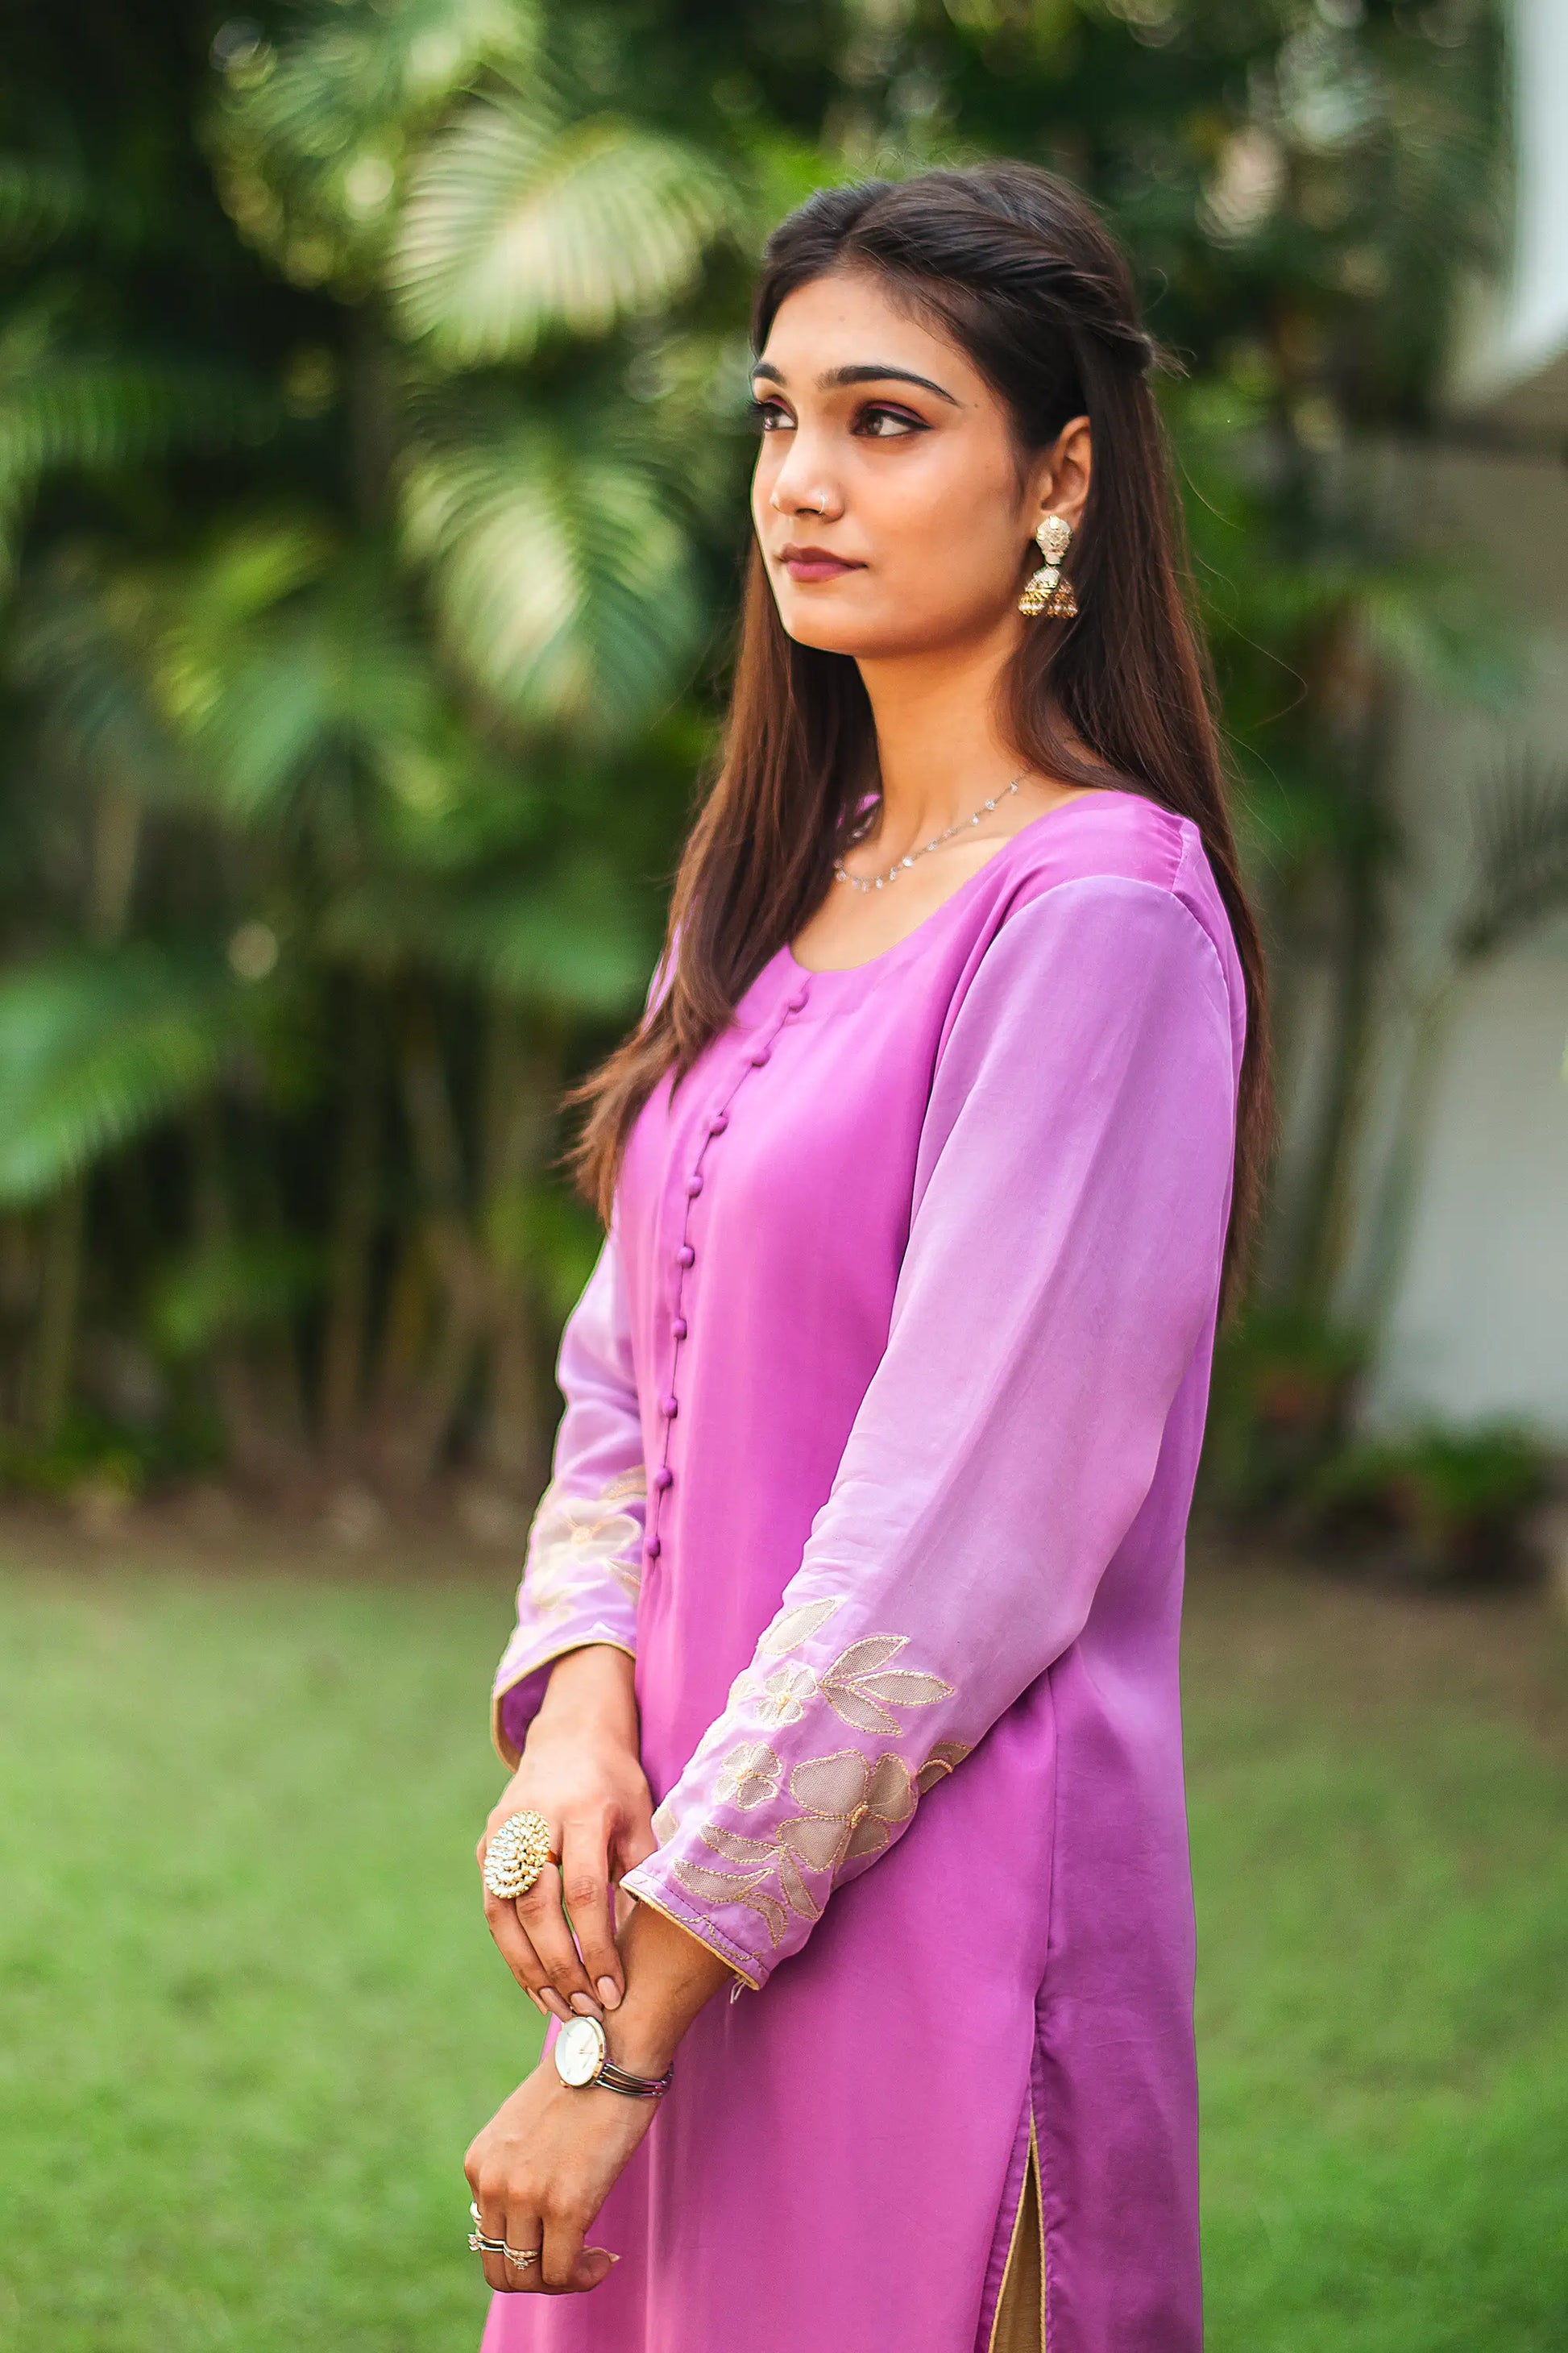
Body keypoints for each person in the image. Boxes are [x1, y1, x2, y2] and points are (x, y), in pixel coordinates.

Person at [463, 162, 1271, 2353]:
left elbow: (955, 1549)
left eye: (886, 419)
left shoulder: (1095, 918)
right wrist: (576, 1719)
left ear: (1059, 476)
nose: (801, 482)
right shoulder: (769, 887)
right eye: (774, 414)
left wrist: (612, 2039)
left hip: (931, 1934)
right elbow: (618, 1383)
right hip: (689, 1905)